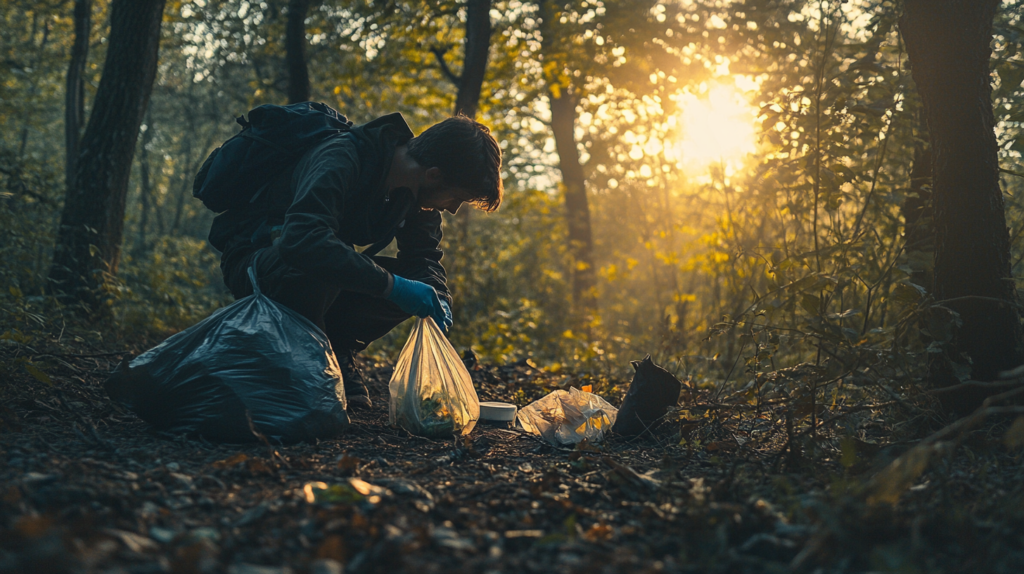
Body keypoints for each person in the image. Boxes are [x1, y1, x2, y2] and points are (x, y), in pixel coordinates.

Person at [209, 113, 503, 409]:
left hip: (315, 272)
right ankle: (307, 361)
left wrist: (437, 295)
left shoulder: (417, 198)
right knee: (322, 264)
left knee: (412, 285)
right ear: (434, 175)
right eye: (457, 198)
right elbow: (302, 241)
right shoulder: (342, 157)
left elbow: (423, 257)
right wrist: (393, 286)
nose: (452, 209)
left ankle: (335, 348)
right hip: (257, 261)